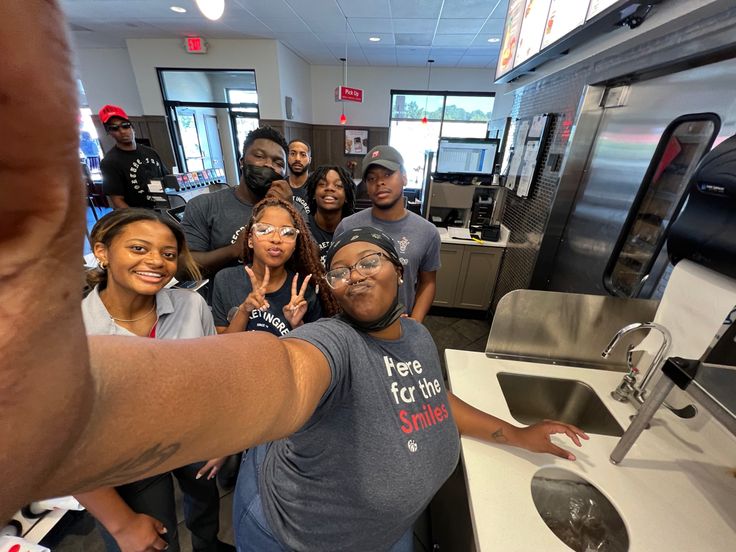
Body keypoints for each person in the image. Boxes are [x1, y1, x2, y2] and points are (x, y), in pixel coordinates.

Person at [1, 3, 587, 547]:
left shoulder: (415, 337)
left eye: (369, 260)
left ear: (398, 270)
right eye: (338, 268)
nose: (353, 274)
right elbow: (274, 376)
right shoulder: (328, 344)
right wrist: (48, 403)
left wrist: (515, 434)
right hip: (295, 537)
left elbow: (433, 400)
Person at [76, 208, 232, 552]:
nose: (156, 261)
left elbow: (213, 373)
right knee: (153, 539)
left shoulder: (191, 305)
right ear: (102, 251)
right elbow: (62, 447)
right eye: (138, 248)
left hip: (193, 435)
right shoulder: (71, 335)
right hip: (127, 460)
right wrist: (122, 524)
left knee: (205, 503)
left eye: (168, 254)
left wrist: (222, 437)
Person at [335, 145, 441, 323]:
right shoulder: (347, 227)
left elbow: (428, 282)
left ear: (404, 177)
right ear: (367, 187)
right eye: (371, 178)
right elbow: (338, 279)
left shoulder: (427, 232)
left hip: (402, 326)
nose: (379, 182)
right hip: (354, 324)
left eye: (387, 174)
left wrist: (415, 322)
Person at [181, 126, 298, 283]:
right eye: (259, 156)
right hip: (224, 302)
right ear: (242, 162)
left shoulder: (292, 206)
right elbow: (183, 269)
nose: (268, 165)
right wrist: (233, 250)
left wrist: (289, 209)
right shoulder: (204, 205)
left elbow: (312, 258)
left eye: (278, 162)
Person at [211, 196, 339, 335]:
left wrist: (298, 326)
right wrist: (244, 311)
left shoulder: (305, 292)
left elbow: (313, 350)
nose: (276, 239)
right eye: (265, 230)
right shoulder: (225, 280)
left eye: (287, 233)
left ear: (295, 244)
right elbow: (222, 347)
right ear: (250, 240)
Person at [98, 104, 168, 210]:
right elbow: (117, 200)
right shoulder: (109, 162)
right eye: (115, 128)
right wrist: (137, 220)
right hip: (139, 216)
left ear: (132, 126)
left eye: (125, 125)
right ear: (109, 132)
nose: (122, 131)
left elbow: (167, 179)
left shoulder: (151, 152)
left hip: (164, 210)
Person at [305, 164, 356, 266]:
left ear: (346, 197)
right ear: (314, 194)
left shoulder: (355, 229)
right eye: (322, 184)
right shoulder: (303, 228)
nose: (329, 188)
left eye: (338, 185)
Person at [286, 139, 312, 215]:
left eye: (303, 155)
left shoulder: (316, 187)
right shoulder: (280, 186)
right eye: (293, 154)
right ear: (287, 157)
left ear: (309, 160)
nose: (297, 159)